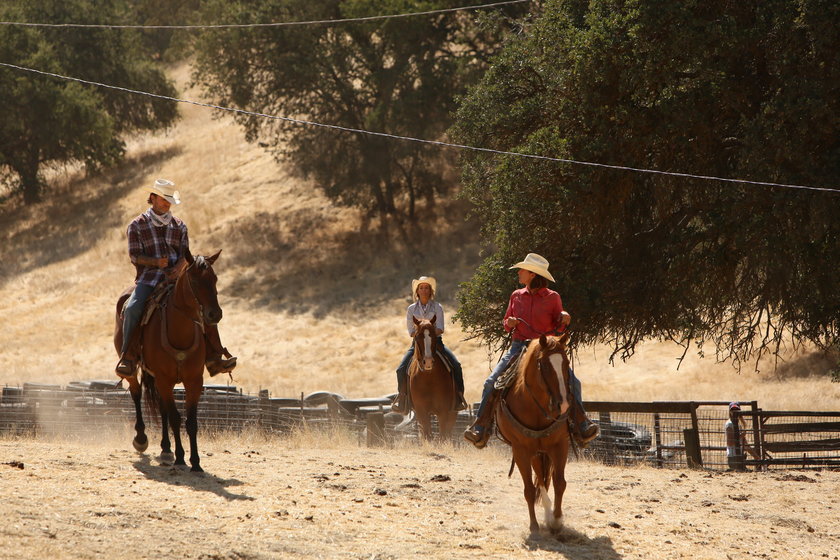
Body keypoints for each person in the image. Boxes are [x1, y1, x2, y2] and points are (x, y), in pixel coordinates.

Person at [463, 253, 599, 449]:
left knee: (573, 383)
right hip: (519, 346)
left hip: (545, 348)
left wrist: (564, 319)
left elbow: (559, 329)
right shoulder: (516, 296)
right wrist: (509, 323)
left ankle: (582, 424)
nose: (519, 273)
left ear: (533, 274)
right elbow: (506, 324)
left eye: (522, 270)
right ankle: (480, 428)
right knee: (491, 382)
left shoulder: (553, 298)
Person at [115, 179, 237, 379]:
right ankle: (128, 358)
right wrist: (155, 263)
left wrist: (178, 269)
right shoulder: (137, 225)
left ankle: (214, 358)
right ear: (152, 198)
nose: (167, 203)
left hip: (177, 280)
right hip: (149, 279)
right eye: (163, 199)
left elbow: (184, 254)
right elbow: (134, 256)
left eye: (169, 200)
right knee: (132, 307)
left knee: (204, 306)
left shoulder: (179, 226)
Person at [391, 276, 467, 414]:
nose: (424, 290)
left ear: (430, 291)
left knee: (456, 365)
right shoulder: (411, 309)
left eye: (427, 288)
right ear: (417, 291)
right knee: (401, 369)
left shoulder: (437, 307)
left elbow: (440, 328)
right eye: (421, 288)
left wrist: (429, 331)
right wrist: (422, 331)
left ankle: (458, 398)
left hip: (436, 343)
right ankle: (402, 399)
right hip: (418, 344)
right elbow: (411, 331)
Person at [725, 402, 759, 471]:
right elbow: (730, 443)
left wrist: (756, 456)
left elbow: (745, 444)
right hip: (733, 457)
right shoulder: (729, 424)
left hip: (739, 456)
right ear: (730, 411)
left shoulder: (738, 424)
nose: (735, 412)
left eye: (736, 410)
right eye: (733, 410)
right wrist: (740, 436)